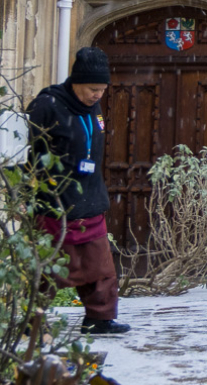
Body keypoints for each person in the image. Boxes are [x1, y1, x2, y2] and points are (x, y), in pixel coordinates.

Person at [28, 47, 129, 335]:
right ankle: (32, 320)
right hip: (55, 203)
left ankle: (99, 319)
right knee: (48, 267)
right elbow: (29, 153)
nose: (98, 95)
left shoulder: (92, 107)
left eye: (102, 89)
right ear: (76, 82)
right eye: (93, 89)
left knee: (101, 267)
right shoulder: (46, 105)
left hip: (90, 200)